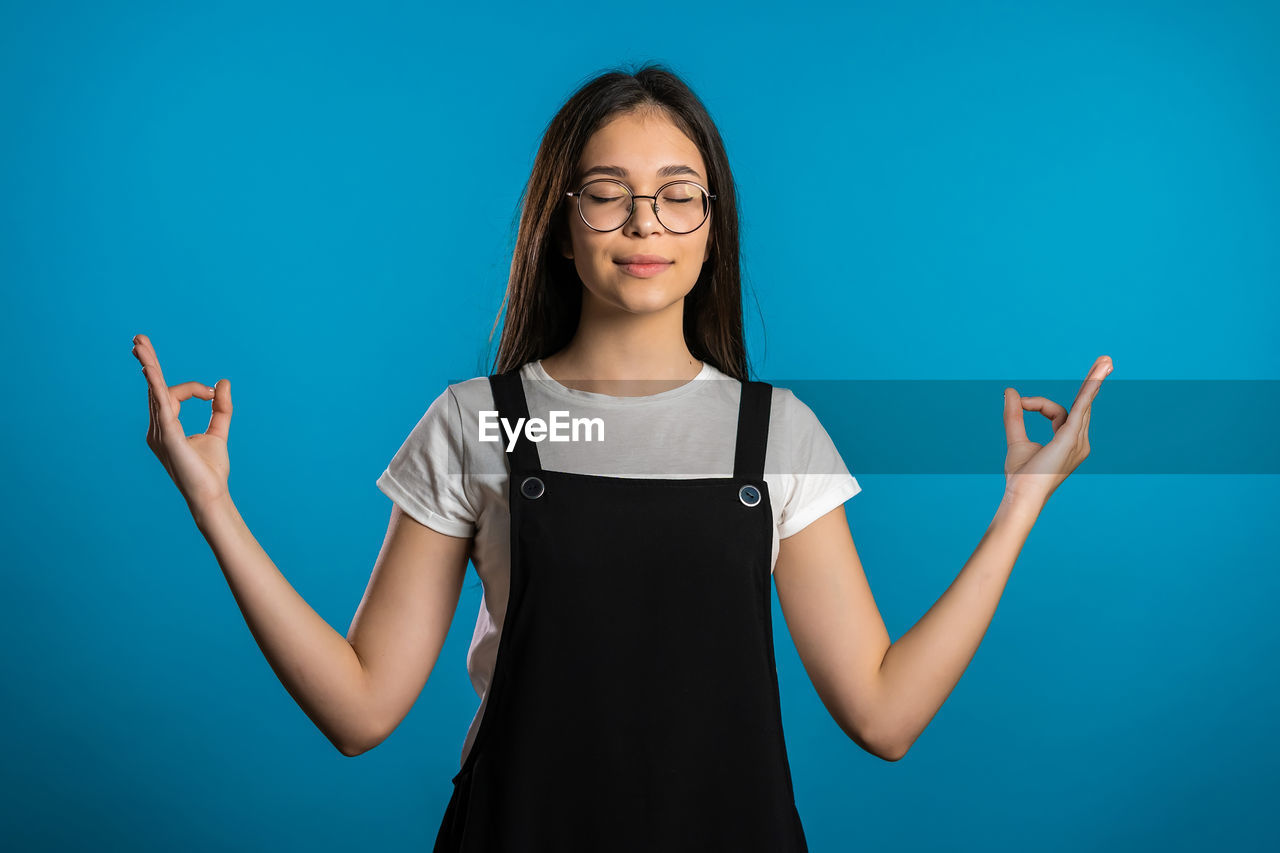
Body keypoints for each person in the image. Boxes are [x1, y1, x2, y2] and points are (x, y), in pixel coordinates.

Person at [131, 63, 1112, 852]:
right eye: (607, 195)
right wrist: (213, 503)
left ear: (711, 227)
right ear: (561, 227)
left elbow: (884, 712)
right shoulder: (483, 422)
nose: (644, 223)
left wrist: (1019, 505)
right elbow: (359, 707)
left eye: (677, 197)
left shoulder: (773, 435)